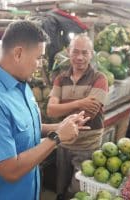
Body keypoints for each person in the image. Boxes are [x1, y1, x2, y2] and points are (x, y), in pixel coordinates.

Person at [0, 21, 89, 200]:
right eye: (38, 57)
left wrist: (59, 126)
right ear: (18, 53)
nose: (39, 64)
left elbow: (25, 128)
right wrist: (57, 137)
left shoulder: (20, 84)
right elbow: (10, 170)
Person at [47, 34, 108, 199]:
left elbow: (86, 116)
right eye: (75, 52)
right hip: (64, 142)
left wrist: (63, 108)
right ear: (68, 52)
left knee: (78, 190)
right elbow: (51, 110)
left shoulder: (99, 79)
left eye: (84, 53)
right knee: (61, 187)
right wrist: (79, 103)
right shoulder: (60, 79)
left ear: (91, 54)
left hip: (87, 145)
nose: (79, 57)